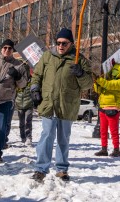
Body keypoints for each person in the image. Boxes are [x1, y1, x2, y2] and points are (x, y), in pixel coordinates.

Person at [30, 28, 93, 182]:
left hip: (67, 104)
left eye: (64, 43)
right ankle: (40, 169)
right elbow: (37, 75)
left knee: (63, 138)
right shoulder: (47, 56)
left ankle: (62, 169)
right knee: (47, 135)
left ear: (71, 43)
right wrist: (34, 89)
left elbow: (88, 84)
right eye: (58, 42)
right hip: (49, 103)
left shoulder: (79, 59)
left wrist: (81, 74)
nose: (60, 46)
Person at [93, 61, 120, 157]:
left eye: (116, 70)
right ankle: (104, 149)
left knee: (113, 131)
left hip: (112, 108)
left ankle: (116, 149)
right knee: (103, 130)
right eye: (113, 70)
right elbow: (99, 90)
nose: (113, 72)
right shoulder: (107, 80)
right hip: (103, 107)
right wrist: (96, 83)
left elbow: (109, 85)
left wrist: (99, 80)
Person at [15, 64, 34, 146]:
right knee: (21, 122)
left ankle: (28, 137)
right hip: (19, 104)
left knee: (28, 121)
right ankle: (23, 137)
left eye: (27, 71)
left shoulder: (32, 80)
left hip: (29, 104)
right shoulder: (18, 80)